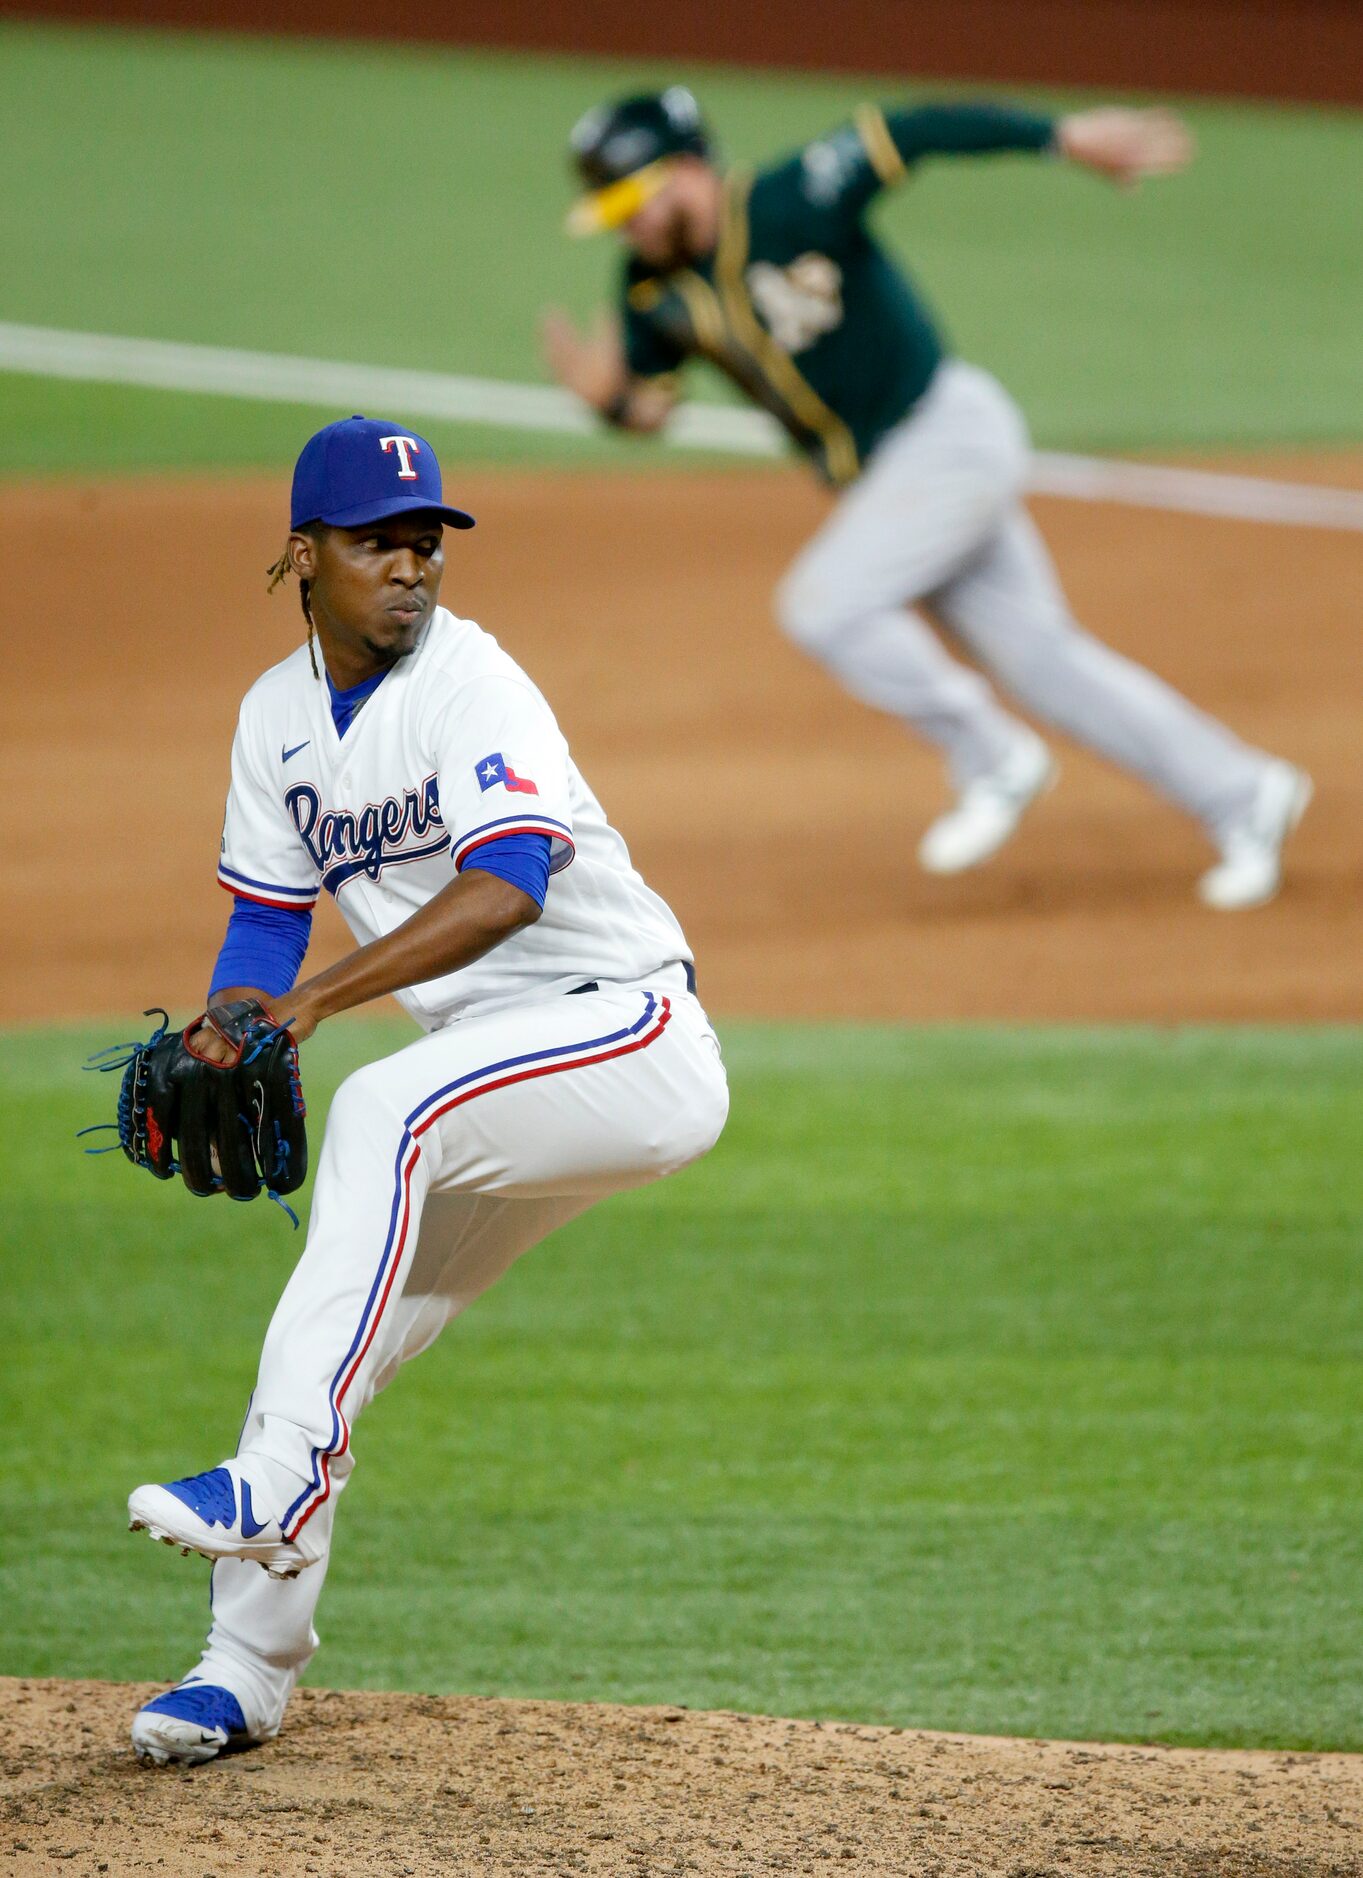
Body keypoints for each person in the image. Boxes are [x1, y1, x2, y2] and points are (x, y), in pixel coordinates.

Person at [125, 415, 729, 1765]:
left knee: (376, 1107)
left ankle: (272, 1479)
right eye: (373, 541)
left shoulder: (475, 684)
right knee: (342, 1322)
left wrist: (315, 1010)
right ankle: (244, 1663)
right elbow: (266, 927)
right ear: (301, 554)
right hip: (496, 1074)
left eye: (424, 540)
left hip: (625, 1034)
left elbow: (506, 879)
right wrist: (235, 1023)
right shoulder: (272, 718)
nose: (408, 566)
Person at [543, 88, 1310, 908]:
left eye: (632, 201)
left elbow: (908, 132)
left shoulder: (790, 197)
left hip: (947, 435)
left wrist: (1060, 138)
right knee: (1047, 665)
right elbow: (655, 406)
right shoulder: (648, 288)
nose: (626, 224)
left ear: (687, 169)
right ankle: (1244, 794)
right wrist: (613, 404)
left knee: (823, 606)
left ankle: (991, 758)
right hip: (892, 482)